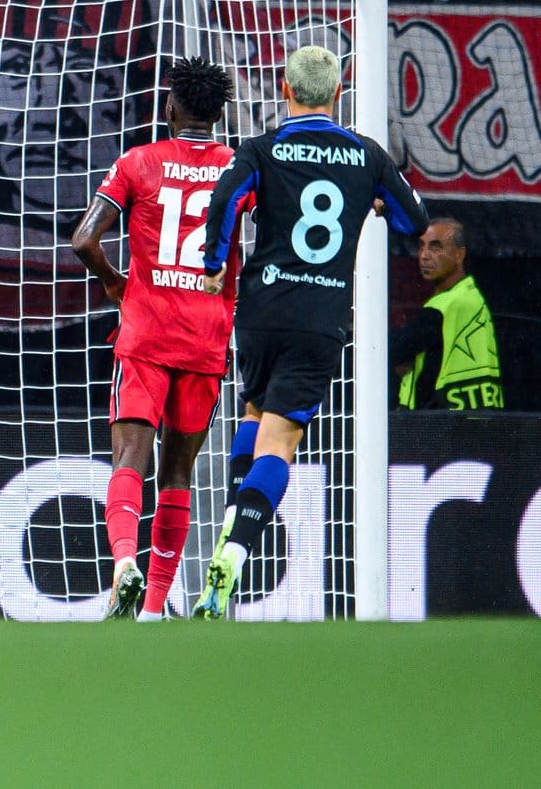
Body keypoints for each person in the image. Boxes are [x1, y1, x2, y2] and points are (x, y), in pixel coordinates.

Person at [193, 44, 428, 619]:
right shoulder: (366, 155)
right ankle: (235, 555)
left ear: (285, 88)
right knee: (280, 444)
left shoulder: (262, 148)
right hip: (319, 317)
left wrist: (214, 262)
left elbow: (225, 198)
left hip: (260, 311)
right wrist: (377, 202)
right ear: (339, 92)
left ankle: (230, 528)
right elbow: (415, 221)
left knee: (253, 413)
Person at [70, 57, 238, 621]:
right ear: (219, 116)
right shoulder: (238, 169)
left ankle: (124, 564)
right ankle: (156, 606)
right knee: (178, 472)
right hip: (205, 337)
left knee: (130, 456)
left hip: (146, 333)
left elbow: (84, 239)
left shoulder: (138, 162)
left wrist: (114, 281)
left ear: (170, 109)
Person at [394, 218, 503, 412]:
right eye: (421, 246)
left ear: (459, 255)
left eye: (435, 247)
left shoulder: (444, 307)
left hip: (444, 421)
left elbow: (392, 350)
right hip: (476, 414)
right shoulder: (472, 297)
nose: (424, 256)